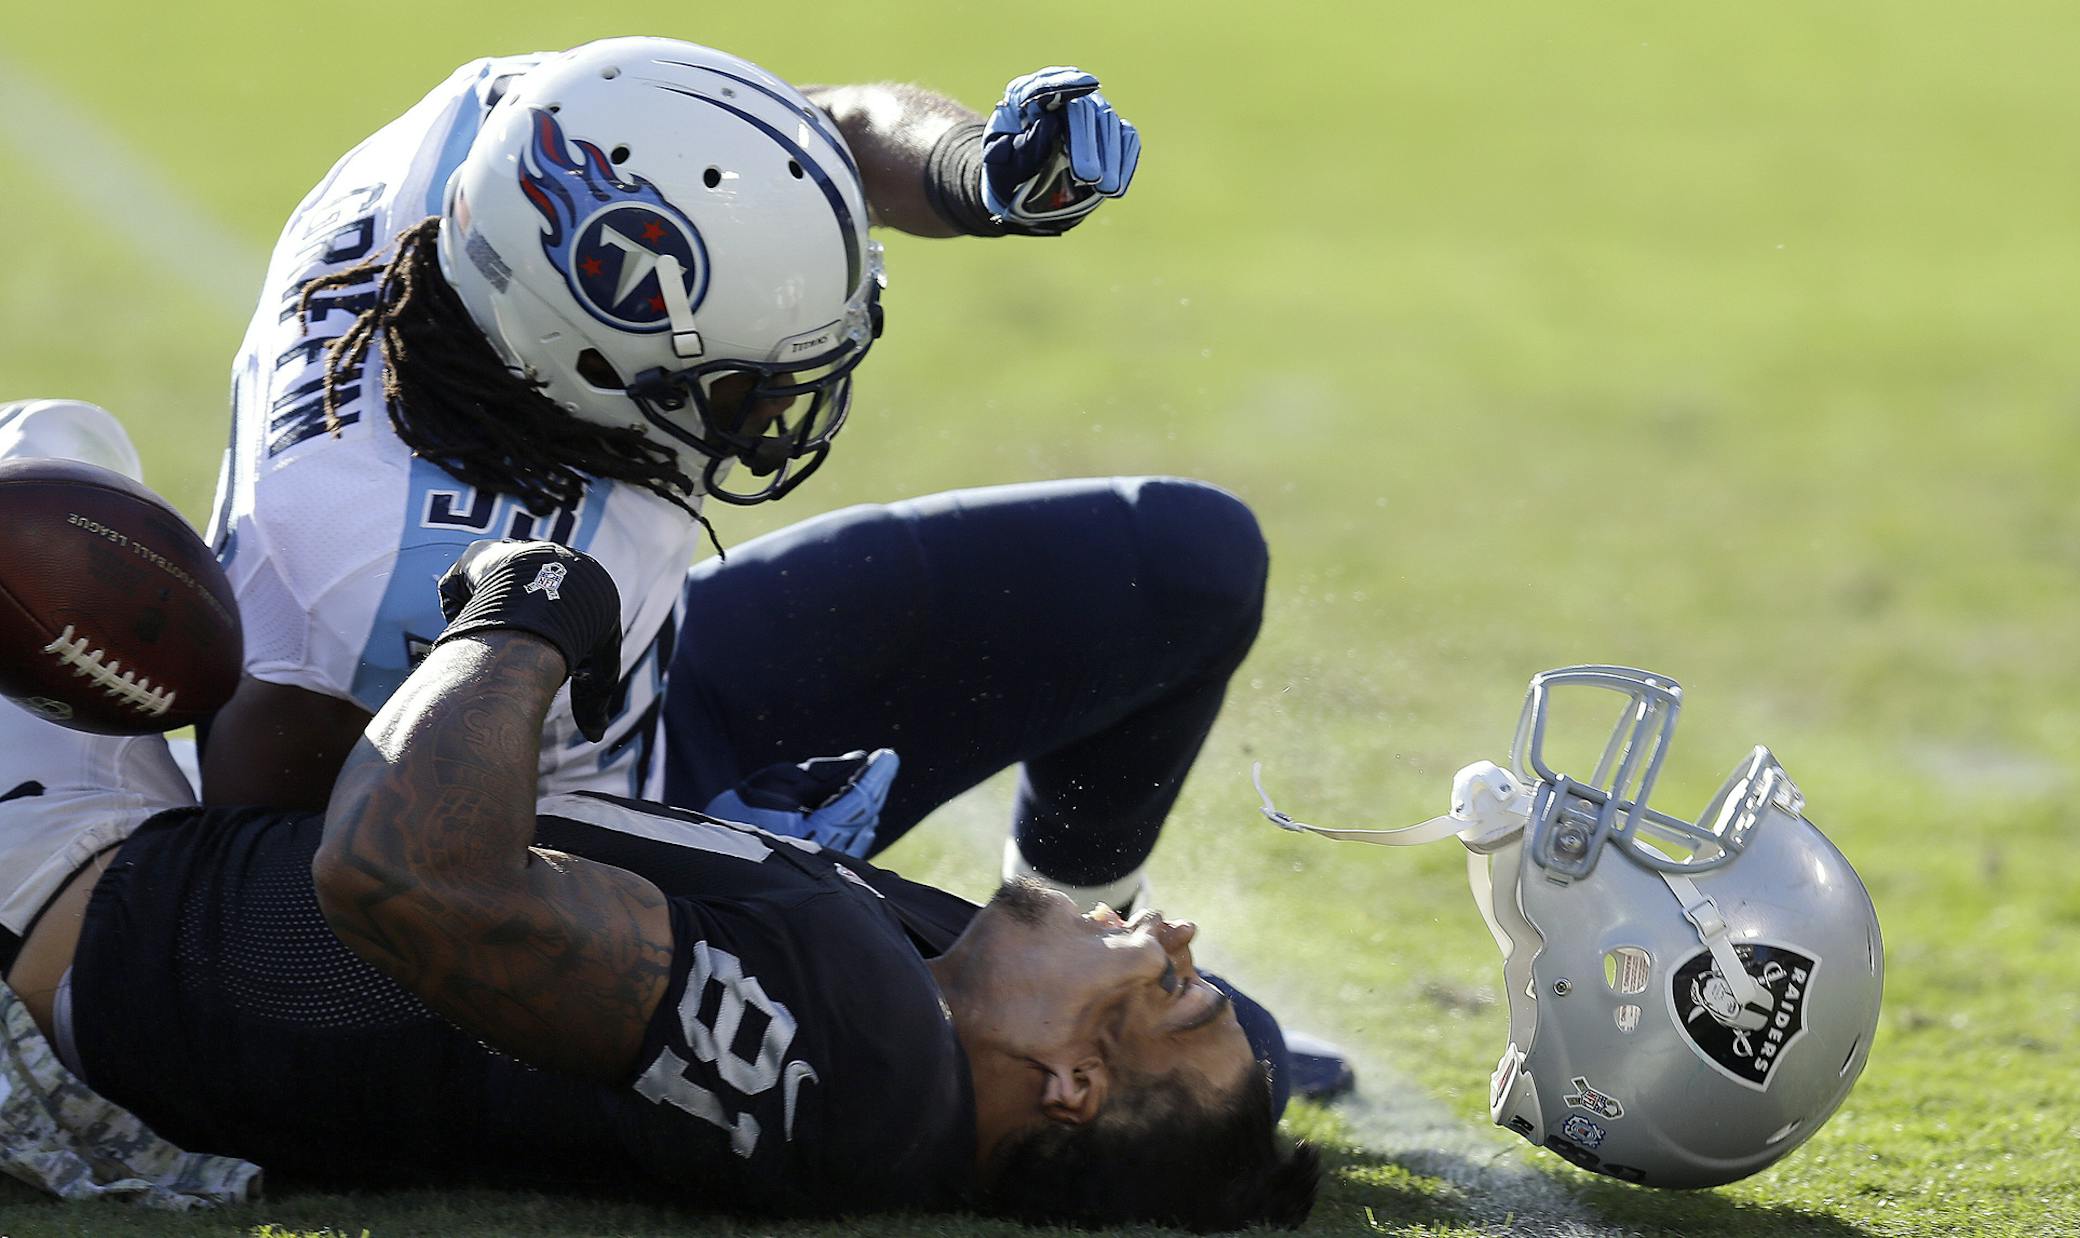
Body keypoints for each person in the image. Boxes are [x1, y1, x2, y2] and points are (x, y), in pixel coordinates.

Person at [197, 36, 1352, 1095]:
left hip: (638, 694)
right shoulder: (371, 571)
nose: (781, 411)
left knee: (1181, 563)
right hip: (553, 864)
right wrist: (716, 883)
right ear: (584, 366)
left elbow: (808, 140)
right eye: (748, 386)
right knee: (1224, 1064)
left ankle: (1087, 938)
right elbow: (308, 900)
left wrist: (971, 171)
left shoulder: (506, 142)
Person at [0, 528, 1320, 1229]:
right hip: (155, 893)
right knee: (62, 447)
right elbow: (1219, 1092)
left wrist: (527, 610)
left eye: (1175, 990)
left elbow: (409, 875)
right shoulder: (932, 1036)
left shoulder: (863, 1041)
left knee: (32, 512)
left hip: (78, 913)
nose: (1175, 933)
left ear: (1072, 1084)